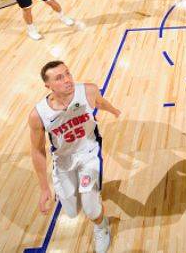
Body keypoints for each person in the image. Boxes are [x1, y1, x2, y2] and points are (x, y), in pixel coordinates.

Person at [29, 61, 120, 253]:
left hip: (88, 153)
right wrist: (44, 188)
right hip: (63, 160)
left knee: (90, 207)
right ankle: (86, 196)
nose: (67, 80)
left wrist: (113, 110)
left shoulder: (88, 91)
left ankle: (101, 226)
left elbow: (100, 102)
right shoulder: (38, 115)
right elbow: (37, 150)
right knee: (71, 211)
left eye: (67, 73)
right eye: (59, 78)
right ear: (48, 85)